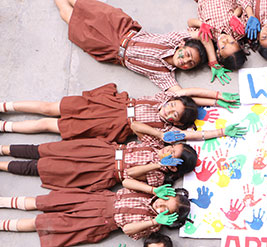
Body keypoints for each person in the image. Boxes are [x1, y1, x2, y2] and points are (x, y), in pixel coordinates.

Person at [54, 0, 207, 92]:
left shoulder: (164, 75)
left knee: (68, 16)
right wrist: (213, 60)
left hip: (109, 48)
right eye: (187, 54)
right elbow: (199, 31)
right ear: (182, 45)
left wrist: (216, 97)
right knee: (82, 4)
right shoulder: (172, 41)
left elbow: (180, 93)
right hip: (120, 26)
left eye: (190, 63)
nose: (185, 60)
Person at [0, 85, 242, 142]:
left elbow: (194, 135)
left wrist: (221, 131)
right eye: (173, 106)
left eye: (175, 115)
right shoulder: (162, 98)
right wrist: (218, 97)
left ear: (176, 123)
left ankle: (5, 127)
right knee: (49, 108)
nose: (170, 111)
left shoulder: (166, 130)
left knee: (48, 125)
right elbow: (189, 93)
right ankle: (5, 106)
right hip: (105, 106)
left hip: (108, 127)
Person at [0, 180, 190, 247]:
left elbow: (127, 229)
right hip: (95, 199)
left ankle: (4, 225)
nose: (161, 205)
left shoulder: (153, 224)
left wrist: (154, 221)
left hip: (98, 222)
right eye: (165, 200)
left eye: (166, 209)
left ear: (170, 218)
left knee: (45, 222)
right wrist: (153, 190)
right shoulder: (150, 192)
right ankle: (4, 201)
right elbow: (126, 182)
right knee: (45, 201)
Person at [0, 138, 197, 191]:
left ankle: (2, 165)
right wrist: (161, 136)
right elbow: (135, 127)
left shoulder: (159, 177)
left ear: (173, 167)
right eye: (172, 147)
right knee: (45, 149)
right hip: (102, 150)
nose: (168, 150)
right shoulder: (155, 145)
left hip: (102, 171)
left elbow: (130, 174)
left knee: (44, 168)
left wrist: (156, 164)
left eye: (172, 153)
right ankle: (3, 149)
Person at [187, 0, 248, 79]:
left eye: (223, 47)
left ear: (218, 53)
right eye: (232, 42)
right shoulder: (238, 31)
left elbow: (190, 22)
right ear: (238, 43)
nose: (225, 40)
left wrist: (201, 24)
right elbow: (240, 7)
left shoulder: (208, 36)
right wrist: (235, 16)